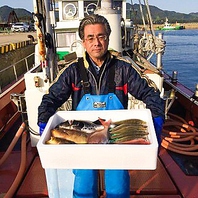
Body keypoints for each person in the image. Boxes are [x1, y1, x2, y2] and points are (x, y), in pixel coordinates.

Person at [38, 14, 164, 198]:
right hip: (82, 136)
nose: (96, 42)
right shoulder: (72, 70)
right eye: (90, 37)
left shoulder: (124, 68)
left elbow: (150, 93)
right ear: (83, 42)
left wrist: (157, 119)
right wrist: (44, 122)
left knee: (117, 186)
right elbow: (50, 99)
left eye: (101, 36)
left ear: (107, 38)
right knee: (83, 184)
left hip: (116, 134)